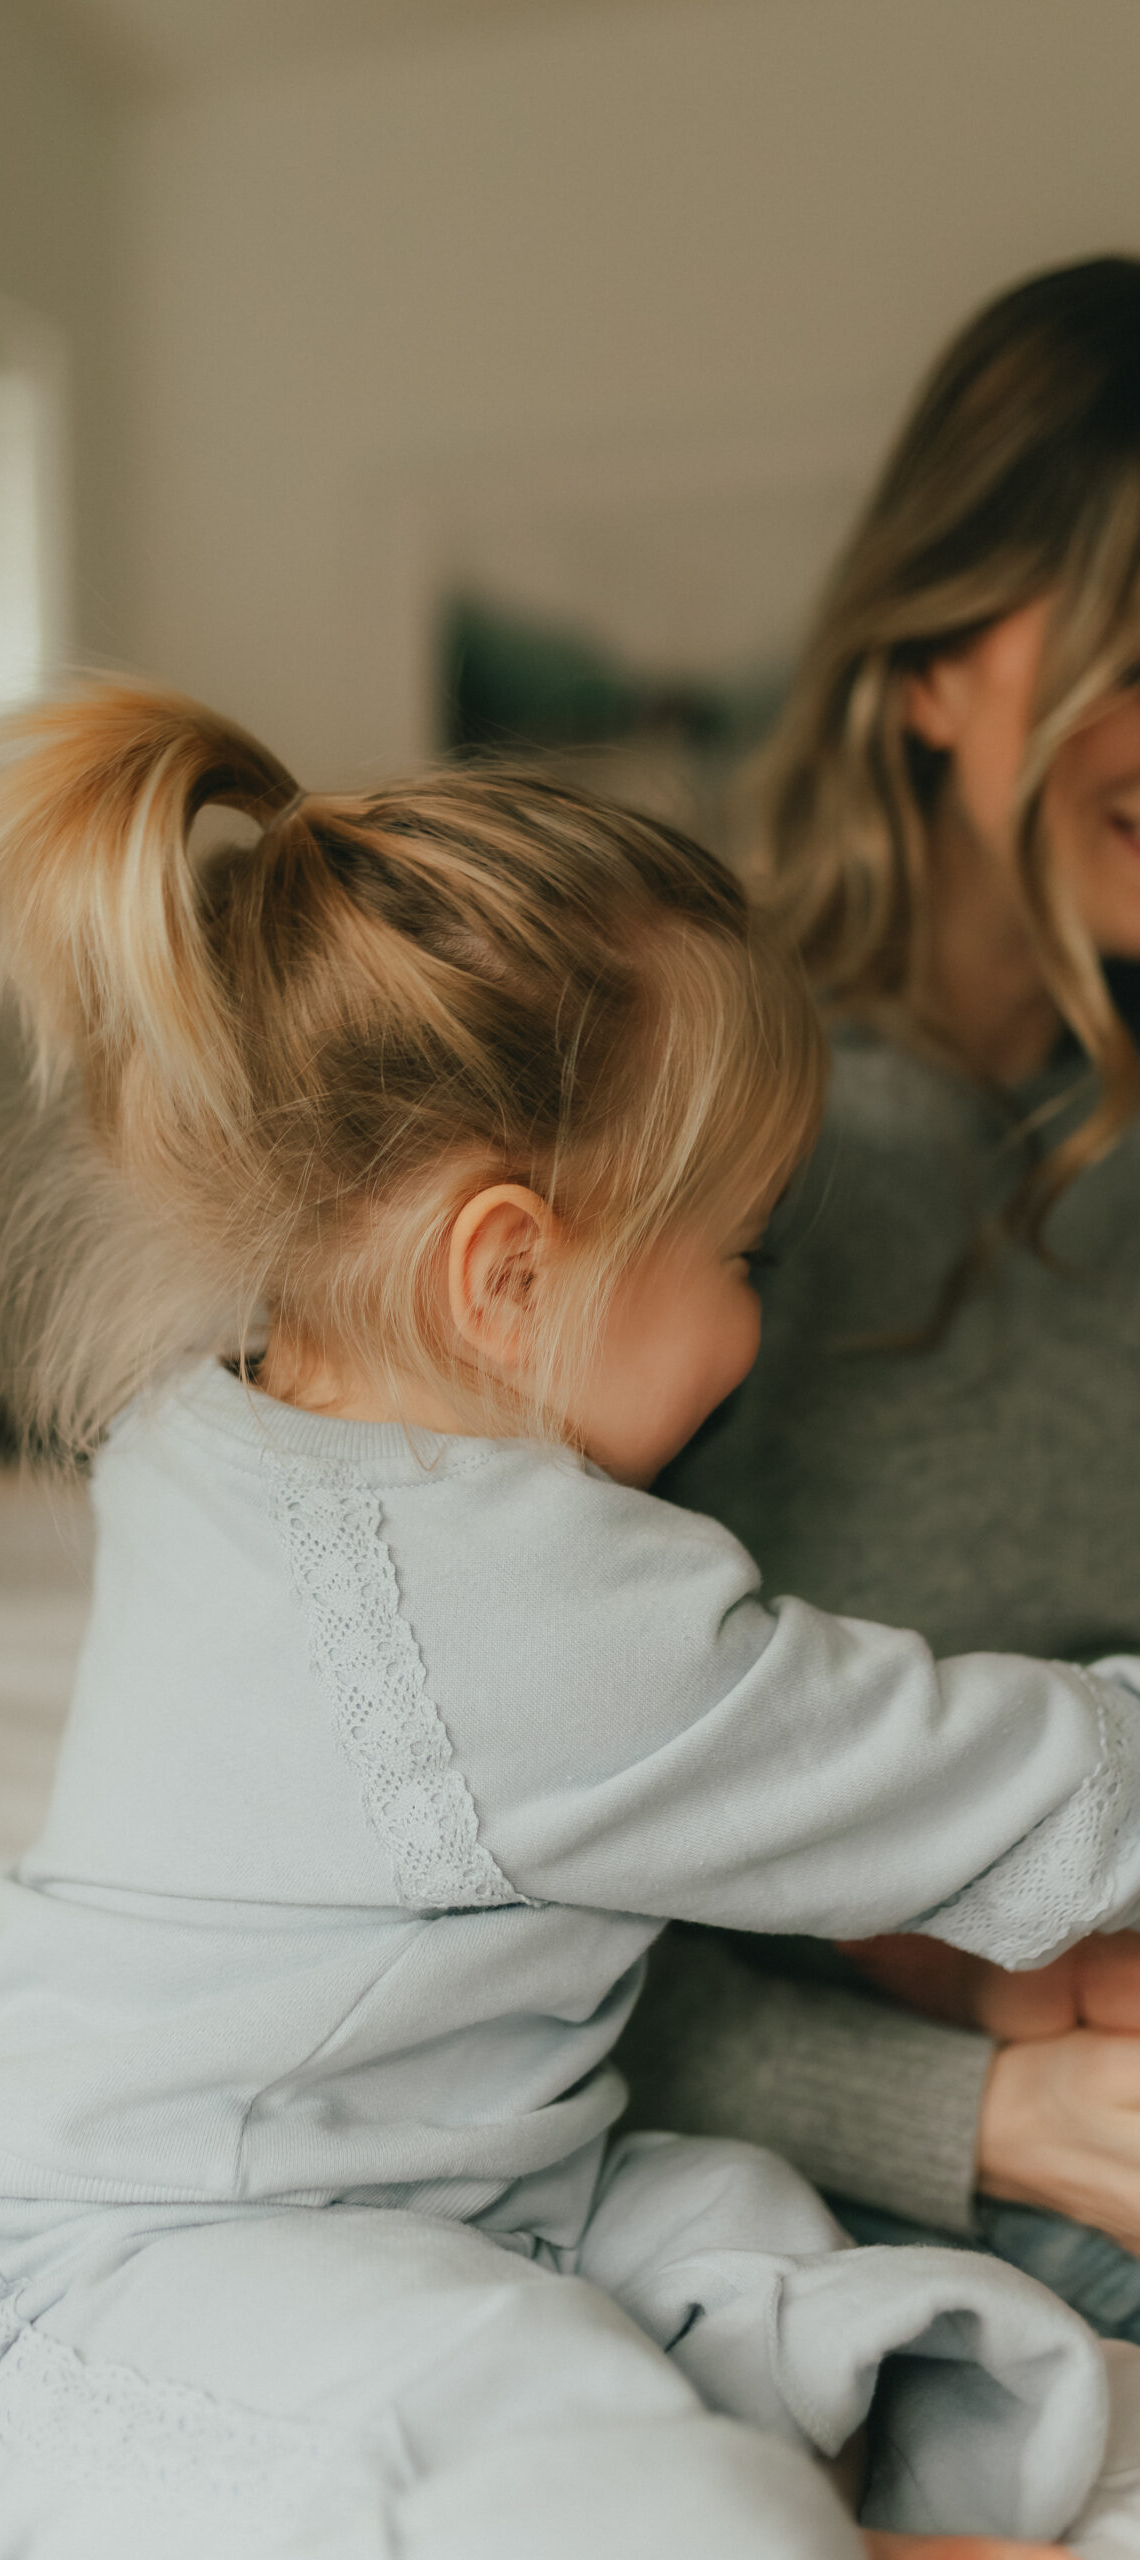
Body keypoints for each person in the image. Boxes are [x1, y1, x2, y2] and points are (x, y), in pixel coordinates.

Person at [0, 680, 1140, 2559]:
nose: (754, 1322)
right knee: (594, 2454)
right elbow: (1010, 1789)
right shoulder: (528, 1617)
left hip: (438, 2197)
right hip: (122, 2294)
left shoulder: (247, 1438)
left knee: (763, 2250)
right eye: (741, 1256)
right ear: (508, 1272)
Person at [624, 256, 1140, 2337]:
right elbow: (464, 1913)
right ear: (928, 666)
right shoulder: (696, 1157)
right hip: (936, 2127)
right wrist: (997, 2116)